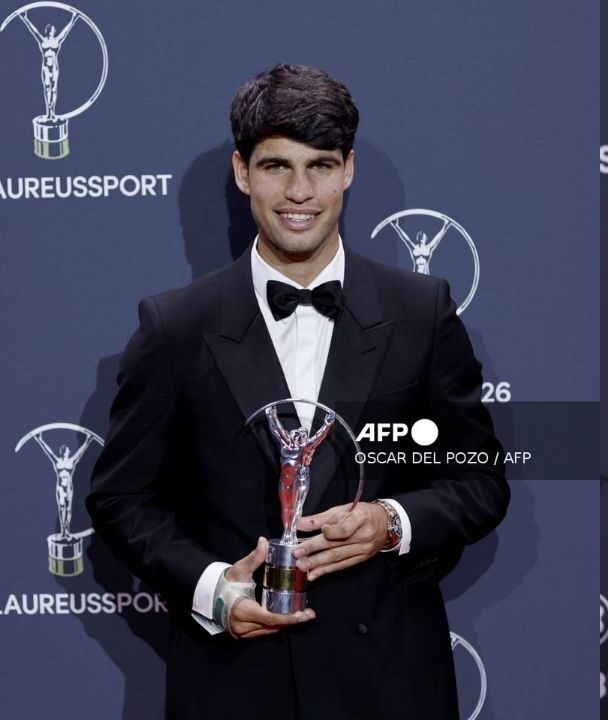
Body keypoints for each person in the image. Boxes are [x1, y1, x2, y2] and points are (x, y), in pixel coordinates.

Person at [86, 64, 508, 719]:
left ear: (348, 170)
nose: (300, 192)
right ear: (242, 172)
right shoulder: (176, 327)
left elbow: (479, 482)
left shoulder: (420, 311)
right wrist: (214, 589)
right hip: (235, 684)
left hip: (388, 683)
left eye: (320, 165)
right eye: (277, 166)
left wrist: (390, 523)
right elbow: (121, 499)